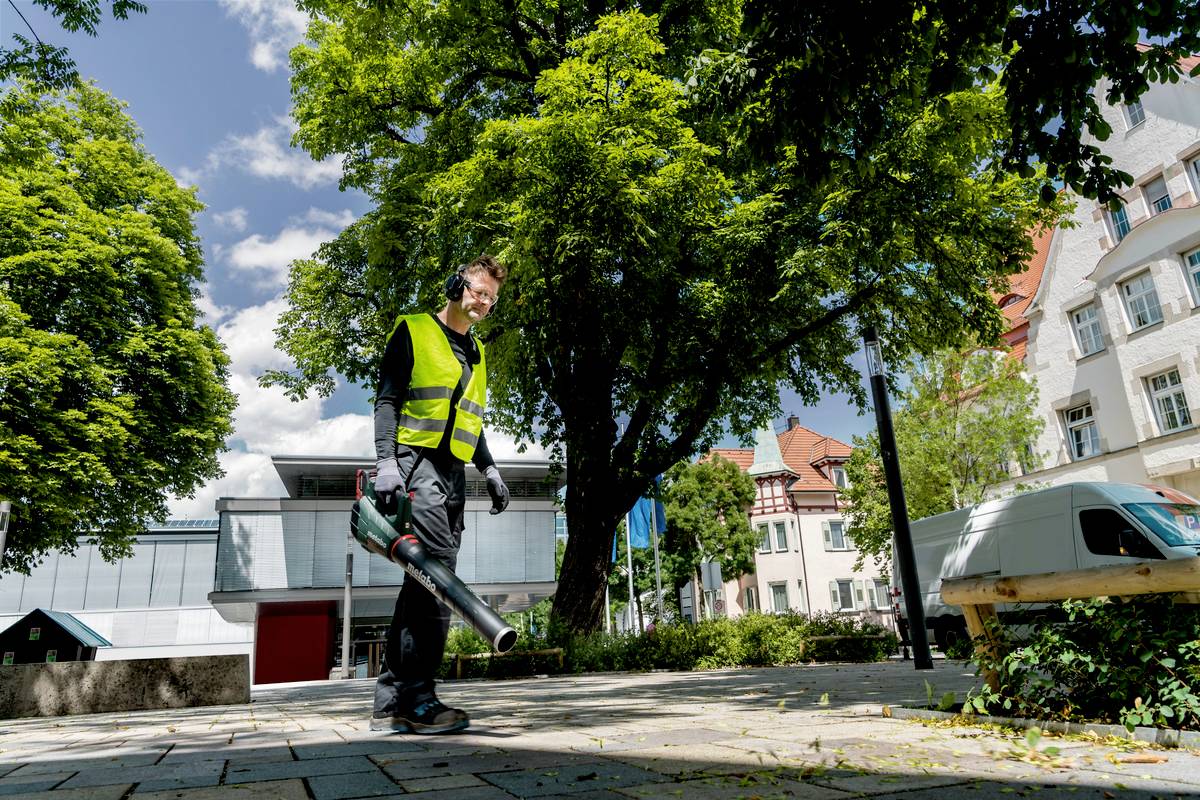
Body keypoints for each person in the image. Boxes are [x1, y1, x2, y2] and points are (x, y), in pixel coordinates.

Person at [369, 254, 511, 734]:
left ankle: (390, 702)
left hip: (452, 473)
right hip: (415, 463)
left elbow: (468, 418)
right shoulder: (414, 330)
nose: (484, 303)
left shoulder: (477, 352)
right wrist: (386, 463)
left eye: (491, 298)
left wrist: (488, 468)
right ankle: (419, 698)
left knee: (419, 580)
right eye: (478, 291)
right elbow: (388, 399)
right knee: (436, 579)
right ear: (456, 286)